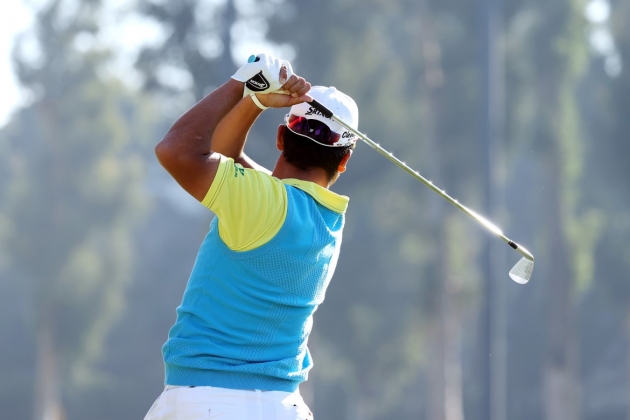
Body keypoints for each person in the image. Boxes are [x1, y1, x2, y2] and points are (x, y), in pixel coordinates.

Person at [144, 54, 359, 420]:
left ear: (280, 137)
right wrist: (254, 99)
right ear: (344, 161)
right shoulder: (327, 221)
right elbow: (228, 160)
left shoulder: (264, 201)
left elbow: (175, 151)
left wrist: (242, 85)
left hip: (206, 402)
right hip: (282, 407)